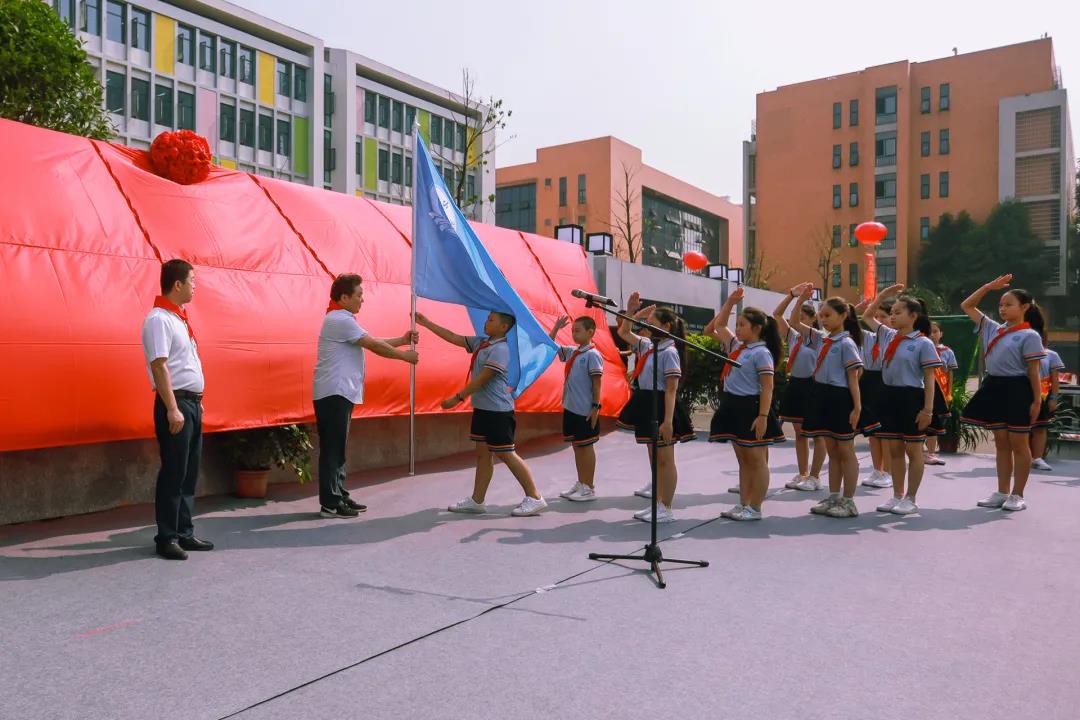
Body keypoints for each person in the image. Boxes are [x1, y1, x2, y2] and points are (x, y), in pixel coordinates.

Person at [416, 310, 548, 516]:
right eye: (487, 318)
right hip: (483, 410)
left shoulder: (501, 349)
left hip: (498, 411)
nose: (486, 322)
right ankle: (477, 501)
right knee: (483, 455)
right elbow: (453, 337)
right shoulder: (481, 343)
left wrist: (457, 398)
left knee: (506, 453)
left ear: (504, 327)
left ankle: (535, 497)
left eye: (491, 319)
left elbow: (483, 378)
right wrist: (426, 322)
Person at [313, 274, 418, 518]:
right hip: (334, 393)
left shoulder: (343, 319)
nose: (363, 299)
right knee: (333, 448)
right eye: (359, 295)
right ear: (344, 297)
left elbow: (372, 341)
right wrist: (405, 357)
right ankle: (330, 503)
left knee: (338, 448)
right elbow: (374, 346)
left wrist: (402, 341)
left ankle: (339, 495)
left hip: (339, 392)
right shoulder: (339, 319)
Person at [141, 259, 212, 561]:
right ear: (178, 284)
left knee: (188, 472)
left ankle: (184, 531)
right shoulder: (159, 319)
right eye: (192, 281)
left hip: (190, 403)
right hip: (176, 404)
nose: (196, 286)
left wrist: (196, 402)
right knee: (174, 471)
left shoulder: (179, 319)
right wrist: (172, 408)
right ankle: (166, 537)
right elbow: (159, 365)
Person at [960, 276, 1046, 511]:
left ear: (1025, 307)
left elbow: (1033, 370)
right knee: (1001, 443)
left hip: (1018, 389)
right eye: (1000, 304)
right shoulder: (992, 328)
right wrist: (987, 287)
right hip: (994, 386)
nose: (1003, 309)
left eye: (1009, 304)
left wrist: (1037, 400)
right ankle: (1002, 491)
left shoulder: (1030, 336)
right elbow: (967, 305)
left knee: (1019, 442)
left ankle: (1018, 494)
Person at [705, 286, 785, 521]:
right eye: (737, 324)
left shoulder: (761, 353)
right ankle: (743, 503)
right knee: (742, 459)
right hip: (732, 405)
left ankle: (755, 507)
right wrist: (729, 303)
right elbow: (718, 326)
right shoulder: (737, 347)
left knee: (756, 460)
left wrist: (762, 417)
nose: (737, 329)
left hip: (751, 407)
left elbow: (768, 387)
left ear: (757, 329)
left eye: (742, 325)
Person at [862, 286, 943, 515]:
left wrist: (927, 410)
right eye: (892, 312)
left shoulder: (923, 343)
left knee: (913, 450)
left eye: (898, 312)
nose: (893, 316)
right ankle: (897, 495)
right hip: (889, 396)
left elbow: (930, 379)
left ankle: (911, 498)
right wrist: (881, 296)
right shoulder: (887, 334)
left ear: (913, 316)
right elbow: (867, 316)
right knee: (894, 449)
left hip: (912, 398)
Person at [616, 292, 695, 523]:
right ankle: (657, 503)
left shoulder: (670, 352)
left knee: (665, 459)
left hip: (662, 406)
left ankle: (666, 507)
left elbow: (671, 390)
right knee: (654, 458)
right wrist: (631, 311)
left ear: (667, 326)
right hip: (647, 403)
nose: (647, 328)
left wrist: (668, 421)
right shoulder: (648, 345)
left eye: (652, 324)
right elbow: (623, 332)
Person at [802, 296, 865, 519]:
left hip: (840, 398)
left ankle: (849, 501)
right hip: (822, 396)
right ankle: (834, 497)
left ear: (843, 315)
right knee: (832, 451)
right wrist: (798, 297)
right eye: (821, 316)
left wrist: (857, 408)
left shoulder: (847, 344)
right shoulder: (824, 340)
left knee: (846, 451)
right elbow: (790, 323)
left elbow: (854, 378)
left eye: (828, 315)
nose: (824, 320)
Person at [773, 284, 827, 491]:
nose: (799, 320)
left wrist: (801, 300)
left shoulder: (818, 338)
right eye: (799, 316)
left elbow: (794, 321)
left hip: (813, 385)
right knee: (799, 431)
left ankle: (815, 476)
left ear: (812, 319)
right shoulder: (794, 336)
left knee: (817, 432)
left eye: (805, 316)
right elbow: (777, 314)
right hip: (796, 383)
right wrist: (791, 295)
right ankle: (803, 472)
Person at [548, 315, 604, 501]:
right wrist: (556, 328)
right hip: (571, 408)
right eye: (572, 330)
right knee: (577, 446)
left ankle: (589, 487)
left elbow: (597, 384)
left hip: (585, 410)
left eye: (577, 330)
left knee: (586, 447)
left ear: (590, 332)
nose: (573, 333)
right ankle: (581, 483)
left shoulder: (592, 355)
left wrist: (595, 407)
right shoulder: (574, 352)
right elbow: (550, 346)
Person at [856, 298, 892, 489]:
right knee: (872, 432)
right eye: (876, 316)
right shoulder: (867, 337)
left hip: (885, 381)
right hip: (868, 382)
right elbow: (847, 325)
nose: (879, 320)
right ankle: (877, 470)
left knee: (885, 431)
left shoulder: (893, 337)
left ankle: (887, 471)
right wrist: (856, 309)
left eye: (883, 317)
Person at [924, 321, 958, 466]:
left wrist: (949, 393)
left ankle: (930, 453)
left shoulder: (947, 352)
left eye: (935, 331)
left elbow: (950, 374)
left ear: (941, 333)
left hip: (939, 393)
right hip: (921, 391)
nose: (932, 335)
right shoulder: (922, 348)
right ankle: (920, 452)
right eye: (929, 331)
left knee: (934, 422)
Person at [1031, 333, 1066, 472]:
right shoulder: (1019, 352)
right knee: (1019, 428)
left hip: (1043, 396)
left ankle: (1038, 459)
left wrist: (1053, 398)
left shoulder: (1051, 355)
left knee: (1040, 428)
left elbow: (1055, 379)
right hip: (1022, 394)